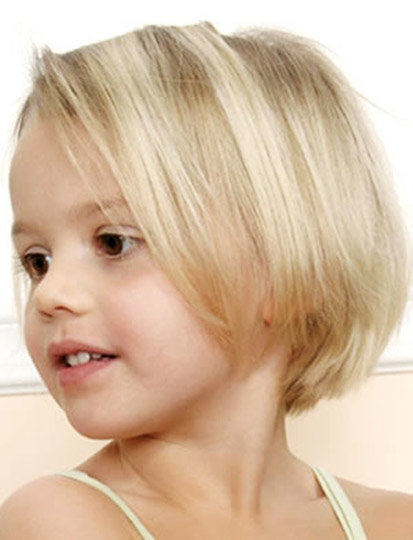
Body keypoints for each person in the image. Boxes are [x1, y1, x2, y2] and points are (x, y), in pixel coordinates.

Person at [0, 21, 411, 539]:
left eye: (114, 242)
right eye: (37, 261)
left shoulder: (396, 522)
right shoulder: (57, 519)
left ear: (285, 276)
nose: (50, 293)